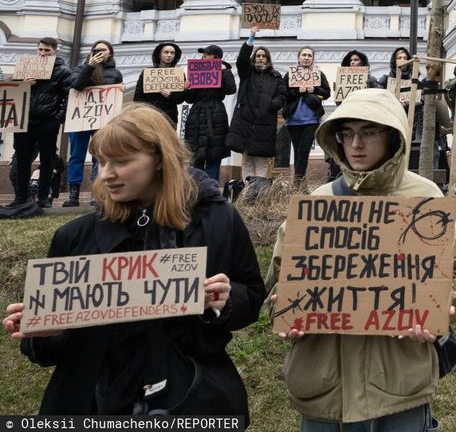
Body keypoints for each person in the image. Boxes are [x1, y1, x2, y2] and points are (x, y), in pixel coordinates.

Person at [4, 105, 265, 415]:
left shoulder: (218, 220)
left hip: (187, 398)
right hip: (93, 403)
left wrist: (226, 299)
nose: (105, 174)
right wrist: (49, 333)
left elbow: (250, 294)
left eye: (122, 161)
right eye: (100, 162)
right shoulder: (74, 237)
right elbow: (42, 351)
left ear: (159, 159)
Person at [266, 88, 456, 431]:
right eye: (346, 134)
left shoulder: (424, 197)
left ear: (392, 136)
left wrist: (436, 309)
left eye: (367, 132)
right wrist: (286, 311)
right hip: (323, 387)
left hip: (398, 386)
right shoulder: (318, 203)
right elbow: (279, 283)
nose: (355, 145)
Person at [6, 37, 70, 208]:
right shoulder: (26, 68)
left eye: (47, 50)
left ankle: (42, 198)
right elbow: (12, 90)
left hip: (48, 122)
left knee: (47, 160)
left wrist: (57, 118)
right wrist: (22, 83)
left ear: (55, 51)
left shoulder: (63, 71)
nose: (42, 53)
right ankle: (21, 198)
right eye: (40, 50)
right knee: (22, 160)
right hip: (24, 120)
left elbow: (68, 95)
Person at [225, 32, 287, 187]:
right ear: (254, 58)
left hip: (265, 124)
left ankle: (259, 192)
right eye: (258, 56)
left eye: (263, 56)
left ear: (268, 59)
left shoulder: (275, 77)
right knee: (246, 161)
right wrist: (251, 37)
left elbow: (282, 96)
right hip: (246, 123)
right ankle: (247, 191)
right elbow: (241, 60)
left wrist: (271, 105)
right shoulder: (248, 73)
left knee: (261, 162)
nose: (260, 58)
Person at [65, 40, 124, 204]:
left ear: (110, 53)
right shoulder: (79, 69)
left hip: (102, 120)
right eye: (96, 49)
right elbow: (77, 85)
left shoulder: (115, 73)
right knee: (76, 155)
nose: (99, 52)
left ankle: (96, 193)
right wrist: (90, 66)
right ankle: (73, 195)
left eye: (103, 50)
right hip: (80, 118)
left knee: (100, 156)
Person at [183, 44, 237, 183]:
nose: (203, 56)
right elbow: (189, 99)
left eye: (207, 54)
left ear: (216, 57)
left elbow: (231, 89)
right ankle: (197, 190)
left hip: (215, 115)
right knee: (196, 158)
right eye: (203, 54)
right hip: (197, 115)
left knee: (214, 156)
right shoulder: (197, 72)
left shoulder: (224, 71)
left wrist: (224, 71)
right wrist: (188, 88)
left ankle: (211, 190)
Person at [282, 46, 330, 185]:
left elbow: (326, 93)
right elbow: (284, 93)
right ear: (299, 57)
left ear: (313, 58)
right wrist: (298, 91)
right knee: (298, 152)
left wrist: (314, 89)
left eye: (309, 55)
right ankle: (300, 186)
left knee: (303, 152)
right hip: (293, 120)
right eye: (304, 55)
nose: (306, 58)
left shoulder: (318, 74)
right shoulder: (290, 74)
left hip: (311, 119)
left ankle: (297, 184)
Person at [133, 41, 185, 125]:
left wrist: (170, 95)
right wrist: (147, 110)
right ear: (159, 55)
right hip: (149, 116)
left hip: (169, 116)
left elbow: (181, 98)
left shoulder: (179, 74)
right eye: (166, 52)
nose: (169, 55)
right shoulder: (147, 73)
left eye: (172, 53)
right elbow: (138, 97)